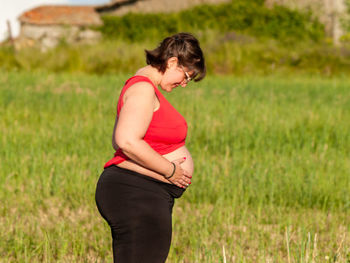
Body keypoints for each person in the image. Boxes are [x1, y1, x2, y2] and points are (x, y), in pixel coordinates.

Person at [95, 32, 206, 263]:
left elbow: (119, 142)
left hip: (143, 193)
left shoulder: (141, 87)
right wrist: (170, 171)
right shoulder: (143, 89)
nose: (184, 84)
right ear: (172, 62)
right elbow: (126, 141)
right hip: (137, 194)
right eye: (186, 76)